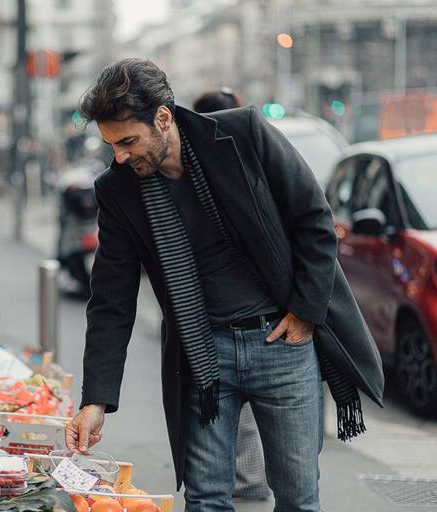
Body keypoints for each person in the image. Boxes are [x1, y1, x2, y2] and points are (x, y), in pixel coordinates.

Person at [65, 58, 384, 511]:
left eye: (128, 141)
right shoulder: (117, 189)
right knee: (206, 500)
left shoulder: (243, 134)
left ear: (162, 118)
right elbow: (111, 298)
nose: (120, 155)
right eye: (111, 145)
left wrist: (305, 313)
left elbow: (313, 218)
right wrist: (96, 399)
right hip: (202, 356)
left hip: (281, 343)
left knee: (297, 498)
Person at [193, 88, 270, 502]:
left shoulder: (248, 163)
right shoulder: (247, 164)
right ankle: (251, 479)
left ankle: (250, 478)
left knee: (234, 417)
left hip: (230, 323)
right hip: (254, 321)